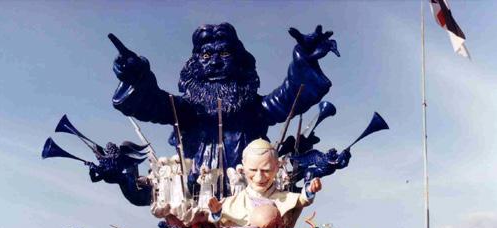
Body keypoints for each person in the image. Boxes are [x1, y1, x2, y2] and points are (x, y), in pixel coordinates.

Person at [111, 23, 339, 186]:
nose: (216, 63)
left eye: (225, 53)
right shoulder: (186, 111)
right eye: (207, 55)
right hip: (196, 199)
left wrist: (305, 57)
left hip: (248, 200)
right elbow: (152, 103)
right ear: (195, 65)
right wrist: (135, 76)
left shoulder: (254, 110)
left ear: (240, 63)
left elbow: (290, 97)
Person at [208, 139, 322, 228]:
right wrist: (216, 214)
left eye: (266, 170)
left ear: (277, 167)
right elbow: (217, 226)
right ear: (243, 166)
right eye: (252, 170)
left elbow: (301, 199)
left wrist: (309, 190)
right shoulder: (230, 203)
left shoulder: (285, 198)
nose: (259, 177)